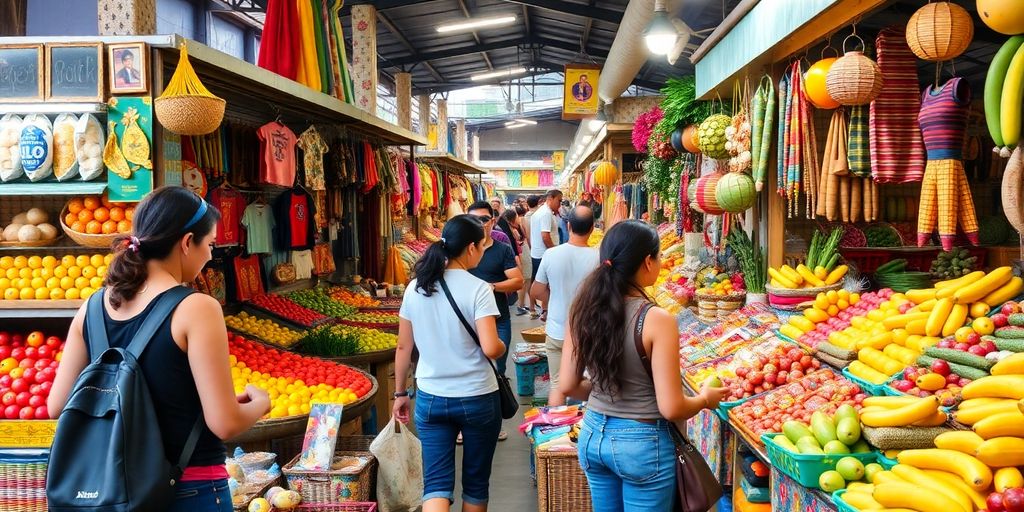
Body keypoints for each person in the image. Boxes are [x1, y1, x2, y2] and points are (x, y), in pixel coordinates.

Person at [48, 186, 271, 512]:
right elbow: (224, 423)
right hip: (187, 491)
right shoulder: (197, 308)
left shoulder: (92, 308)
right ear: (186, 243)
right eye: (208, 244)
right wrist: (259, 404)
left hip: (112, 492)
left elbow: (58, 406)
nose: (210, 255)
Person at [558, 220, 728, 512]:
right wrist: (704, 400)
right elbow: (671, 408)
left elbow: (568, 385)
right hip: (642, 445)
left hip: (593, 434)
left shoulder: (582, 309)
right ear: (648, 262)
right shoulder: (656, 319)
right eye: (659, 257)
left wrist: (607, 392)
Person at [393, 215, 505, 512]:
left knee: (436, 485)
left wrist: (400, 393)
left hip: (431, 397)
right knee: (476, 484)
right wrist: (503, 344)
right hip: (478, 396)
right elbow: (491, 348)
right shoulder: (478, 288)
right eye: (482, 245)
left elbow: (404, 346)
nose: (482, 251)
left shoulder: (416, 287)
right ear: (471, 248)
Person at [466, 202, 523, 442]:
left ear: (493, 221)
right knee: (468, 372)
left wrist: (492, 287)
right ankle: (464, 425)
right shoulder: (458, 253)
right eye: (474, 220)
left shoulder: (502, 249)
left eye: (485, 219)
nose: (480, 224)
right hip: (466, 322)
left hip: (498, 319)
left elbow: (518, 281)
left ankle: (494, 423)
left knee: (496, 372)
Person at [531, 206, 599, 406]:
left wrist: (551, 302)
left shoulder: (551, 254)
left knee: (557, 385)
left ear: (568, 226)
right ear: (592, 228)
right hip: (589, 332)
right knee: (590, 384)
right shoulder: (599, 257)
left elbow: (536, 291)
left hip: (557, 330)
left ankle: (556, 434)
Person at [529, 189, 562, 320]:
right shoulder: (546, 214)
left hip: (538, 253)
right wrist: (555, 252)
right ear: (551, 198)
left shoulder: (541, 212)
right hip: (544, 254)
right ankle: (546, 310)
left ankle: (542, 309)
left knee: (540, 282)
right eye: (559, 201)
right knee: (547, 284)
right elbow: (545, 236)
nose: (560, 204)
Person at [520, 196, 540, 317]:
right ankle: (533, 306)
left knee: (531, 278)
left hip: (531, 249)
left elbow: (527, 235)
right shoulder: (541, 215)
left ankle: (532, 305)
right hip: (537, 250)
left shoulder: (525, 217)